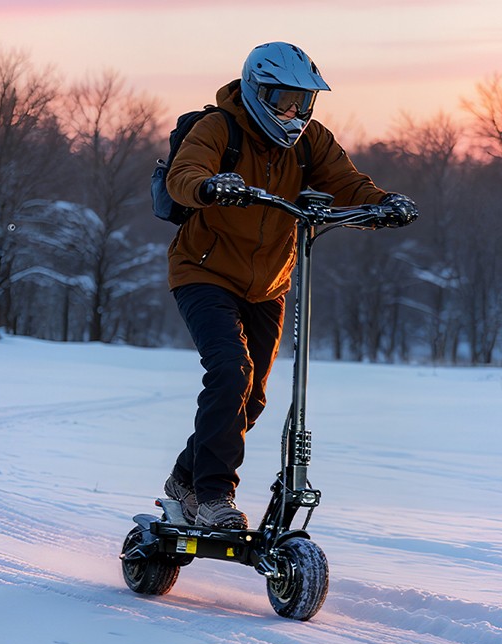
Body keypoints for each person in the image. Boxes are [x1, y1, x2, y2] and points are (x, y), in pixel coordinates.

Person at [162, 41, 417, 529]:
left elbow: (348, 183)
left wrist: (383, 204)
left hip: (269, 284)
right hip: (204, 271)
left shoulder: (311, 140)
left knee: (252, 396)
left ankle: (183, 480)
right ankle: (214, 497)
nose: (295, 112)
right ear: (258, 91)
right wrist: (211, 185)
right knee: (230, 372)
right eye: (285, 100)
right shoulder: (220, 128)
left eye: (304, 102)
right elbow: (184, 174)